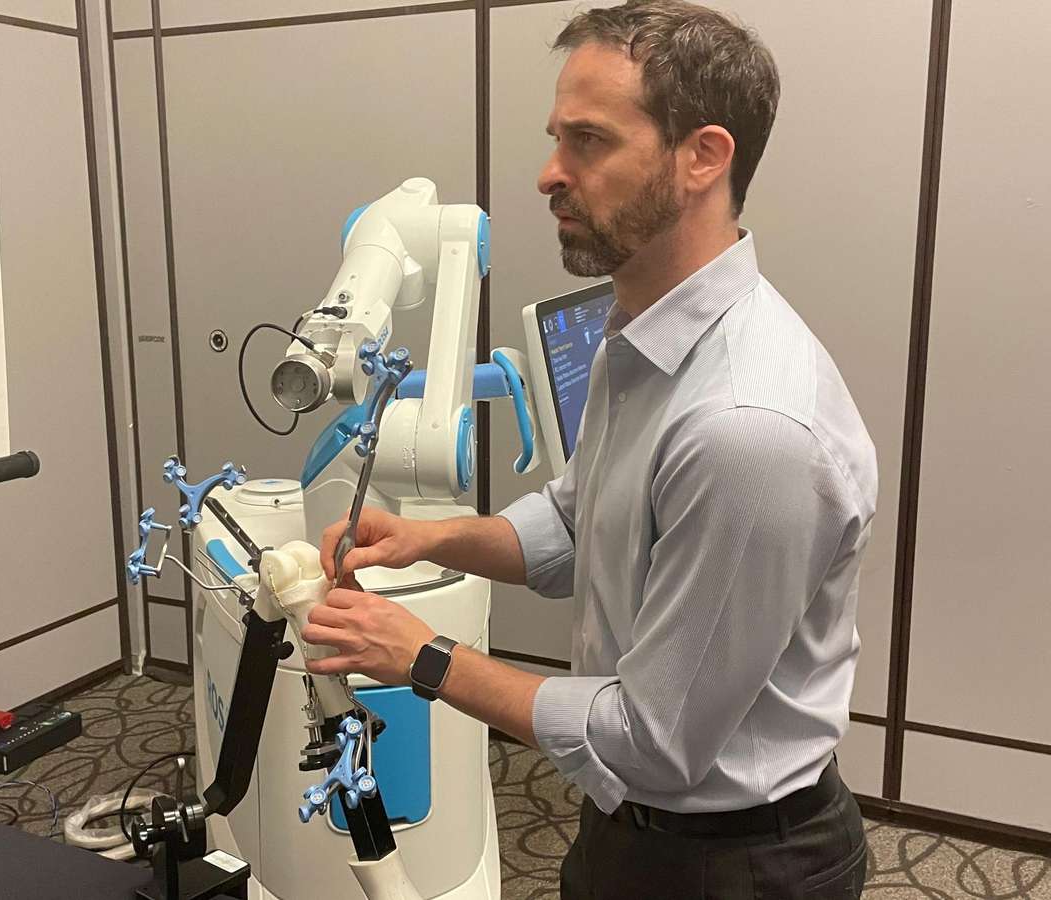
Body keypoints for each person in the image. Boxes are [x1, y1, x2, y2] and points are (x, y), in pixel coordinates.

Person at [301, 2, 878, 897]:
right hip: (626, 824)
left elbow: (653, 741)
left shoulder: (745, 427)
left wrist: (422, 656)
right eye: (555, 139)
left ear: (703, 157)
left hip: (735, 862)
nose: (548, 174)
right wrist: (427, 540)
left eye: (589, 142)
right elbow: (577, 523)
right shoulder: (636, 336)